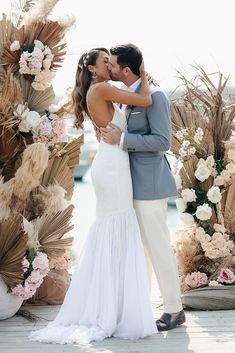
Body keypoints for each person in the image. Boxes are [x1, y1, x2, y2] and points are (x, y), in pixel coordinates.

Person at [29, 47, 157, 345]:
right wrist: (144, 69)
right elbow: (146, 100)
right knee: (116, 231)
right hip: (112, 168)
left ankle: (111, 306)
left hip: (112, 164)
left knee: (113, 234)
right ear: (92, 69)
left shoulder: (99, 90)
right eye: (105, 62)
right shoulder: (102, 88)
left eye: (111, 62)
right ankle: (110, 309)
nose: (110, 65)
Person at [100, 43, 185, 331]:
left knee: (159, 249)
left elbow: (163, 142)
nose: (108, 68)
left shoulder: (156, 96)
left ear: (125, 69)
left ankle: (174, 310)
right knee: (140, 253)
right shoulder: (126, 97)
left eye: (111, 64)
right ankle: (141, 309)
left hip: (149, 186)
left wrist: (122, 141)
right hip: (129, 187)